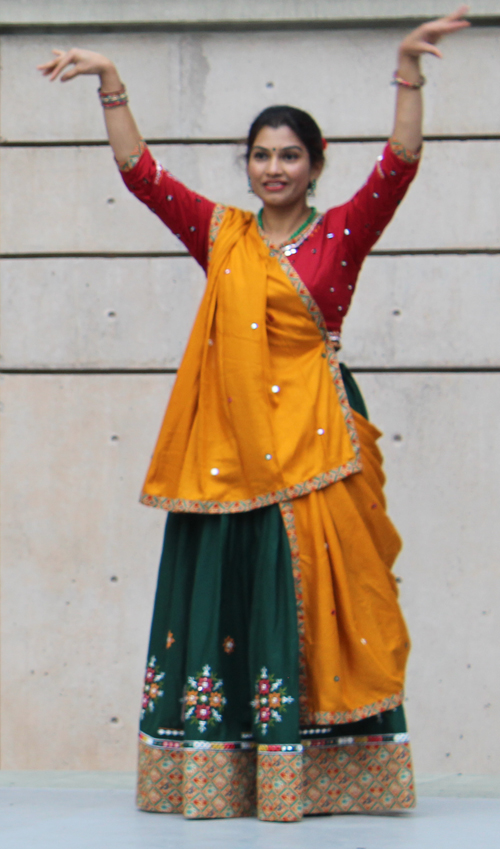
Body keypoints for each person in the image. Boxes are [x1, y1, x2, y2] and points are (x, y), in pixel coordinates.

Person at [39, 6, 469, 824]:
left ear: (315, 164)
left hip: (318, 440)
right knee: (230, 594)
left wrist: (408, 72)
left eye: (290, 155)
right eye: (263, 155)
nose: (275, 168)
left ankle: (325, 770)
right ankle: (220, 768)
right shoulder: (222, 235)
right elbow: (142, 176)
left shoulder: (340, 236)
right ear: (248, 166)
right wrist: (110, 82)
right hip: (231, 450)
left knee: (318, 594)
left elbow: (400, 164)